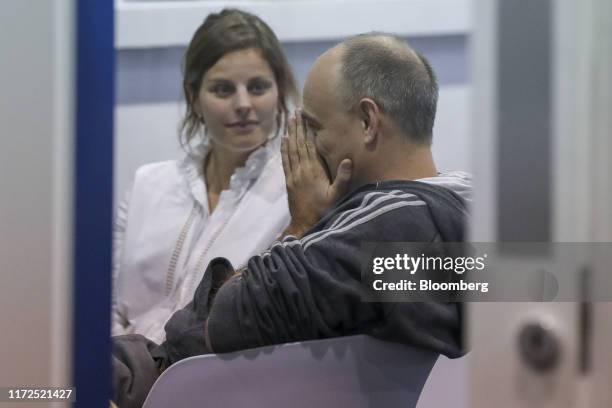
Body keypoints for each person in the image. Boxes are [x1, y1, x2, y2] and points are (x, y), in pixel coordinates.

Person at [112, 33, 472, 407]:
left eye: (312, 128)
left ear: (367, 121)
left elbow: (225, 318)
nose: (308, 148)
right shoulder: (473, 205)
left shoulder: (387, 225)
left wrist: (304, 222)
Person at [112, 8, 299, 344]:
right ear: (194, 97)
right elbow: (107, 306)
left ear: (279, 91)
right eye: (223, 89)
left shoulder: (298, 191)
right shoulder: (148, 185)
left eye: (257, 87)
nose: (243, 103)